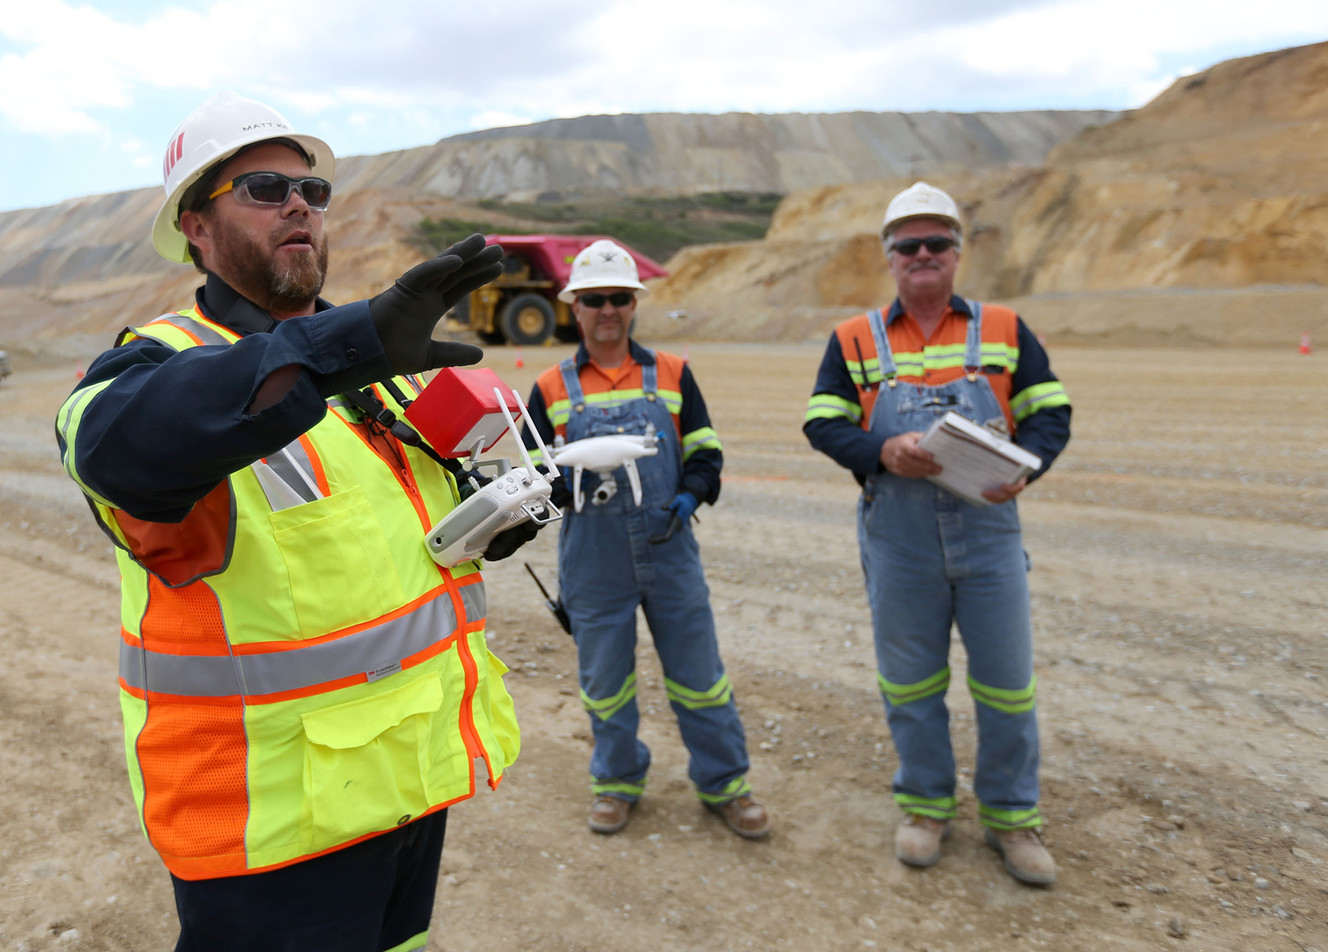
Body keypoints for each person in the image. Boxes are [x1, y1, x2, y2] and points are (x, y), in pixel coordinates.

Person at [54, 91, 531, 951]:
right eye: (267, 188)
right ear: (197, 226)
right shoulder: (159, 364)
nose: (300, 206)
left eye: (314, 193)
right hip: (268, 829)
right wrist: (339, 344)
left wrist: (491, 516)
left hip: (406, 777)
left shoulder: (379, 367)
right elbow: (114, 448)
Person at [803, 182, 1071, 886]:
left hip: (988, 532)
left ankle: (1013, 818)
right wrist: (881, 452)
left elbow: (1050, 411)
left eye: (937, 244)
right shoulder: (854, 339)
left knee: (1008, 685)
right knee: (911, 683)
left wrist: (1028, 467)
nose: (923, 255)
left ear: (958, 253)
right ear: (889, 258)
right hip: (901, 539)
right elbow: (823, 420)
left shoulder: (1007, 330)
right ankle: (925, 805)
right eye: (908, 246)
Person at [520, 240, 770, 840]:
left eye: (619, 298)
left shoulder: (675, 375)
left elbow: (706, 451)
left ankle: (725, 784)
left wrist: (691, 494)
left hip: (669, 546)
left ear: (634, 304)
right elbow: (535, 473)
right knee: (605, 682)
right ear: (574, 307)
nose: (608, 309)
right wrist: (558, 491)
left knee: (700, 676)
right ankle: (616, 783)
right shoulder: (549, 388)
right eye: (594, 299)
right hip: (593, 558)